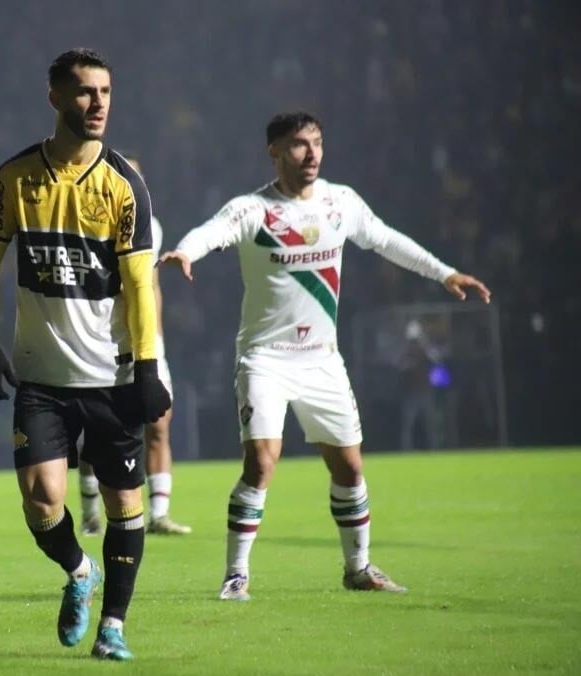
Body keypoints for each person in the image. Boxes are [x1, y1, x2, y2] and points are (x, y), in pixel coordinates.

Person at [160, 111, 490, 601]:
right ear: (274, 152)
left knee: (350, 469)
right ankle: (236, 575)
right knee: (262, 462)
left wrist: (444, 273)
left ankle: (358, 568)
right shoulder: (254, 210)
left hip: (321, 360)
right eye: (298, 144)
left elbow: (385, 239)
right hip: (265, 358)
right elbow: (212, 231)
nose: (311, 153)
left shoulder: (340, 202)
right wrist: (186, 252)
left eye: (316, 142)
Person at [0, 48, 170, 661]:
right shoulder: (14, 177)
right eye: (85, 92)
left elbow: (139, 286)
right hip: (42, 377)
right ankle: (80, 570)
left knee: (124, 505)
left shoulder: (123, 184)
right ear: (55, 97)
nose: (98, 103)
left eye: (106, 91)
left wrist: (147, 366)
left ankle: (113, 627)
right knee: (41, 499)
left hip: (110, 375)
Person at [79, 156, 191, 537]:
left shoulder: (150, 227)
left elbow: (151, 287)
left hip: (148, 344)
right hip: (102, 340)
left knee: (159, 424)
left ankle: (159, 514)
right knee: (98, 429)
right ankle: (91, 513)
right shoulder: (89, 225)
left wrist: (156, 339)